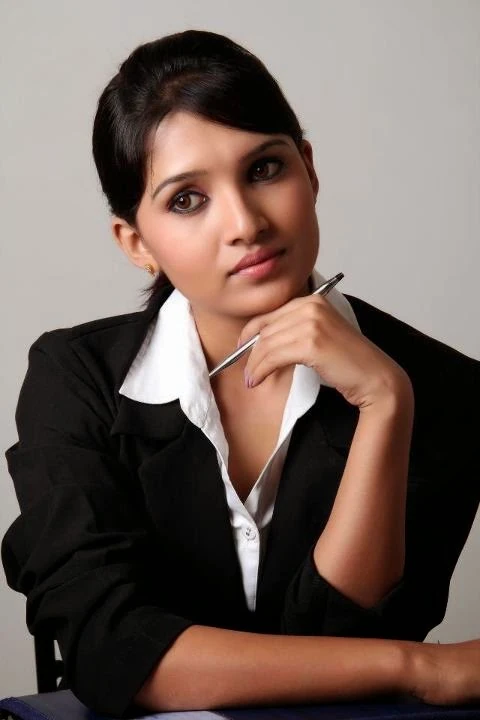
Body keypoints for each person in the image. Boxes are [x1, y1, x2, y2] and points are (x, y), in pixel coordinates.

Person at [2, 29, 480, 719]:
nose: (246, 223)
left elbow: (344, 642)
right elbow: (114, 653)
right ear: (136, 242)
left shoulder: (444, 390)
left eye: (264, 169)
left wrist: (384, 403)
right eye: (186, 200)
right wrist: (423, 668)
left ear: (309, 170)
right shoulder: (77, 379)